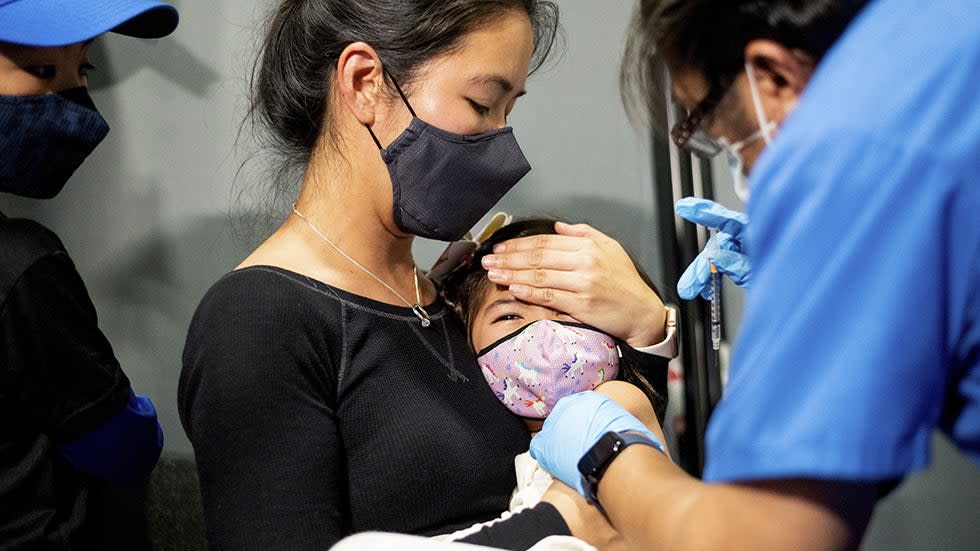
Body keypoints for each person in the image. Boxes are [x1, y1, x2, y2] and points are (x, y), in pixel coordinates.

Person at [177, 2, 674, 550]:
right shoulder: (257, 318)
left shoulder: (460, 303)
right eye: (483, 103)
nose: (502, 142)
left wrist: (648, 332)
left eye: (509, 111)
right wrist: (560, 524)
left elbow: (604, 458)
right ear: (366, 83)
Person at [514, 0, 979, 549]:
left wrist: (605, 455)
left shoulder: (854, 152)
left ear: (774, 73)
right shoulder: (938, 36)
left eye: (710, 128)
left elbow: (763, 536)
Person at [0, 1, 179, 549]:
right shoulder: (22, 265)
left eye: (83, 70)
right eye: (41, 70)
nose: (77, 103)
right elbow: (122, 449)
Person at [434, 218, 675, 546]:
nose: (544, 330)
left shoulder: (613, 406)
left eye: (565, 310)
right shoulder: (495, 455)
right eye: (509, 316)